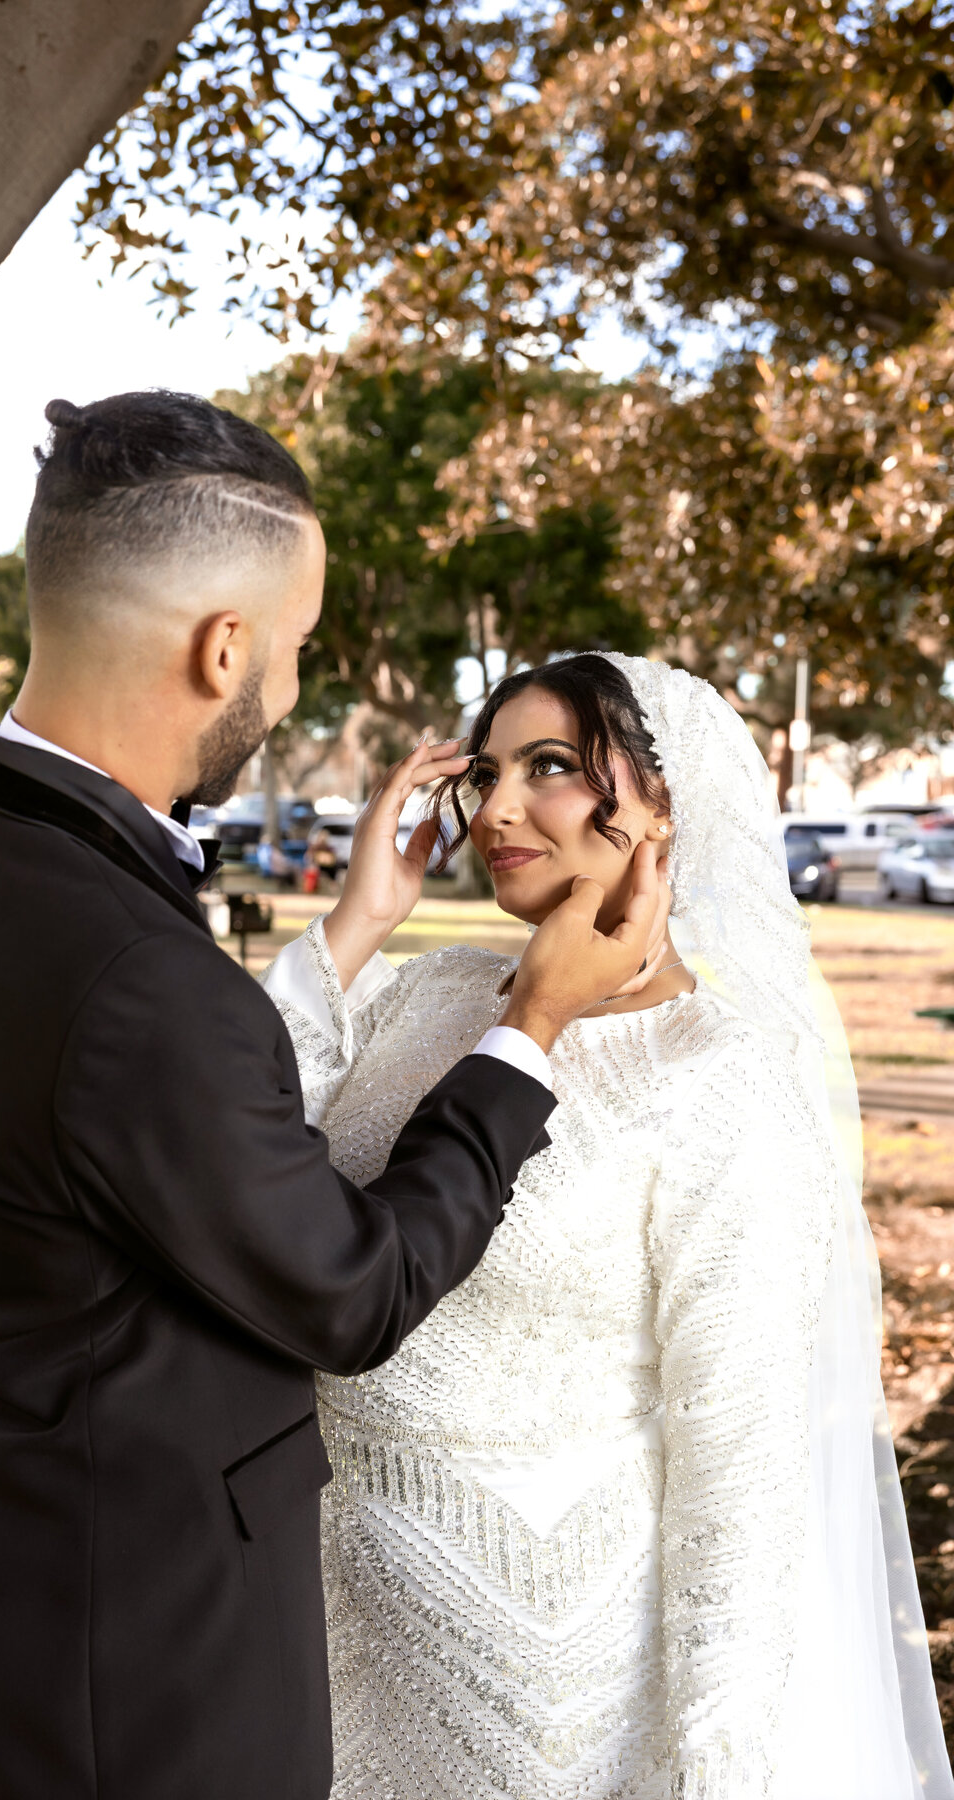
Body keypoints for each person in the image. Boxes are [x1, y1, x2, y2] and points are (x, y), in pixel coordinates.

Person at [0, 394, 667, 1800]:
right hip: (140, 1702)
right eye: (289, 652)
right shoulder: (131, 971)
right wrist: (533, 1024)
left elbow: (137, 1131)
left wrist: (350, 926)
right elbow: (348, 1289)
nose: (285, 693)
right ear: (225, 648)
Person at [261, 650, 954, 1800]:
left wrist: (714, 1765)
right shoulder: (428, 994)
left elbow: (741, 1480)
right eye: (484, 774)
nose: (496, 809)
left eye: (551, 767)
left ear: (669, 806)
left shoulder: (723, 1082)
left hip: (549, 1711)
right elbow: (226, 1145)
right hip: (316, 1648)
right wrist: (357, 921)